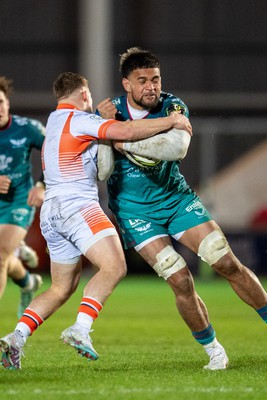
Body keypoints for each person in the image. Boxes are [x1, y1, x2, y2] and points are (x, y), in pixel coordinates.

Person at [0, 71, 189, 369]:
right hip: (78, 206)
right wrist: (171, 121)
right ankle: (81, 328)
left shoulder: (54, 121)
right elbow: (126, 133)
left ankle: (16, 338)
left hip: (52, 212)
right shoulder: (82, 120)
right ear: (84, 95)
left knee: (61, 288)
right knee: (115, 266)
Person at [96, 47, 267, 370]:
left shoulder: (173, 106)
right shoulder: (108, 112)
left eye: (156, 79)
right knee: (179, 280)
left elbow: (176, 148)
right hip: (135, 212)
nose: (151, 87)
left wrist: (122, 140)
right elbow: (103, 170)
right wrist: (107, 132)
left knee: (227, 263)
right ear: (127, 85)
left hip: (177, 201)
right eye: (142, 80)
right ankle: (215, 351)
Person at [0, 76, 44, 319]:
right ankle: (28, 282)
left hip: (18, 201)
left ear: (7, 102)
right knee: (4, 257)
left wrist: (41, 185)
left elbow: (57, 151)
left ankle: (17, 247)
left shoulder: (27, 128)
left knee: (0, 256)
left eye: (0, 101)